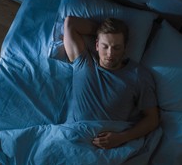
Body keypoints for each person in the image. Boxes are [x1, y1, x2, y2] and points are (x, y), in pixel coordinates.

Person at [63, 16, 159, 149]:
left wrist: (122, 137)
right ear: (97, 45)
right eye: (105, 46)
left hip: (108, 147)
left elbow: (152, 119)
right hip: (70, 137)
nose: (110, 53)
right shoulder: (83, 62)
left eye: (117, 47)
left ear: (125, 47)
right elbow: (70, 23)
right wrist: (101, 33)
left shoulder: (138, 75)